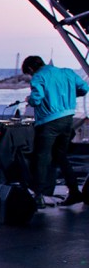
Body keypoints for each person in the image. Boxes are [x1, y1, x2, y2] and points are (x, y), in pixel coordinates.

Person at [22, 55, 88, 208]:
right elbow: (84, 88)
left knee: (41, 158)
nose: (31, 76)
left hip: (48, 122)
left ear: (31, 69)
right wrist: (68, 94)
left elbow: (36, 100)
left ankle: (38, 196)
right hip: (67, 119)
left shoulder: (38, 77)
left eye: (29, 73)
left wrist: (28, 99)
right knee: (61, 156)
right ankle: (74, 192)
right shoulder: (67, 72)